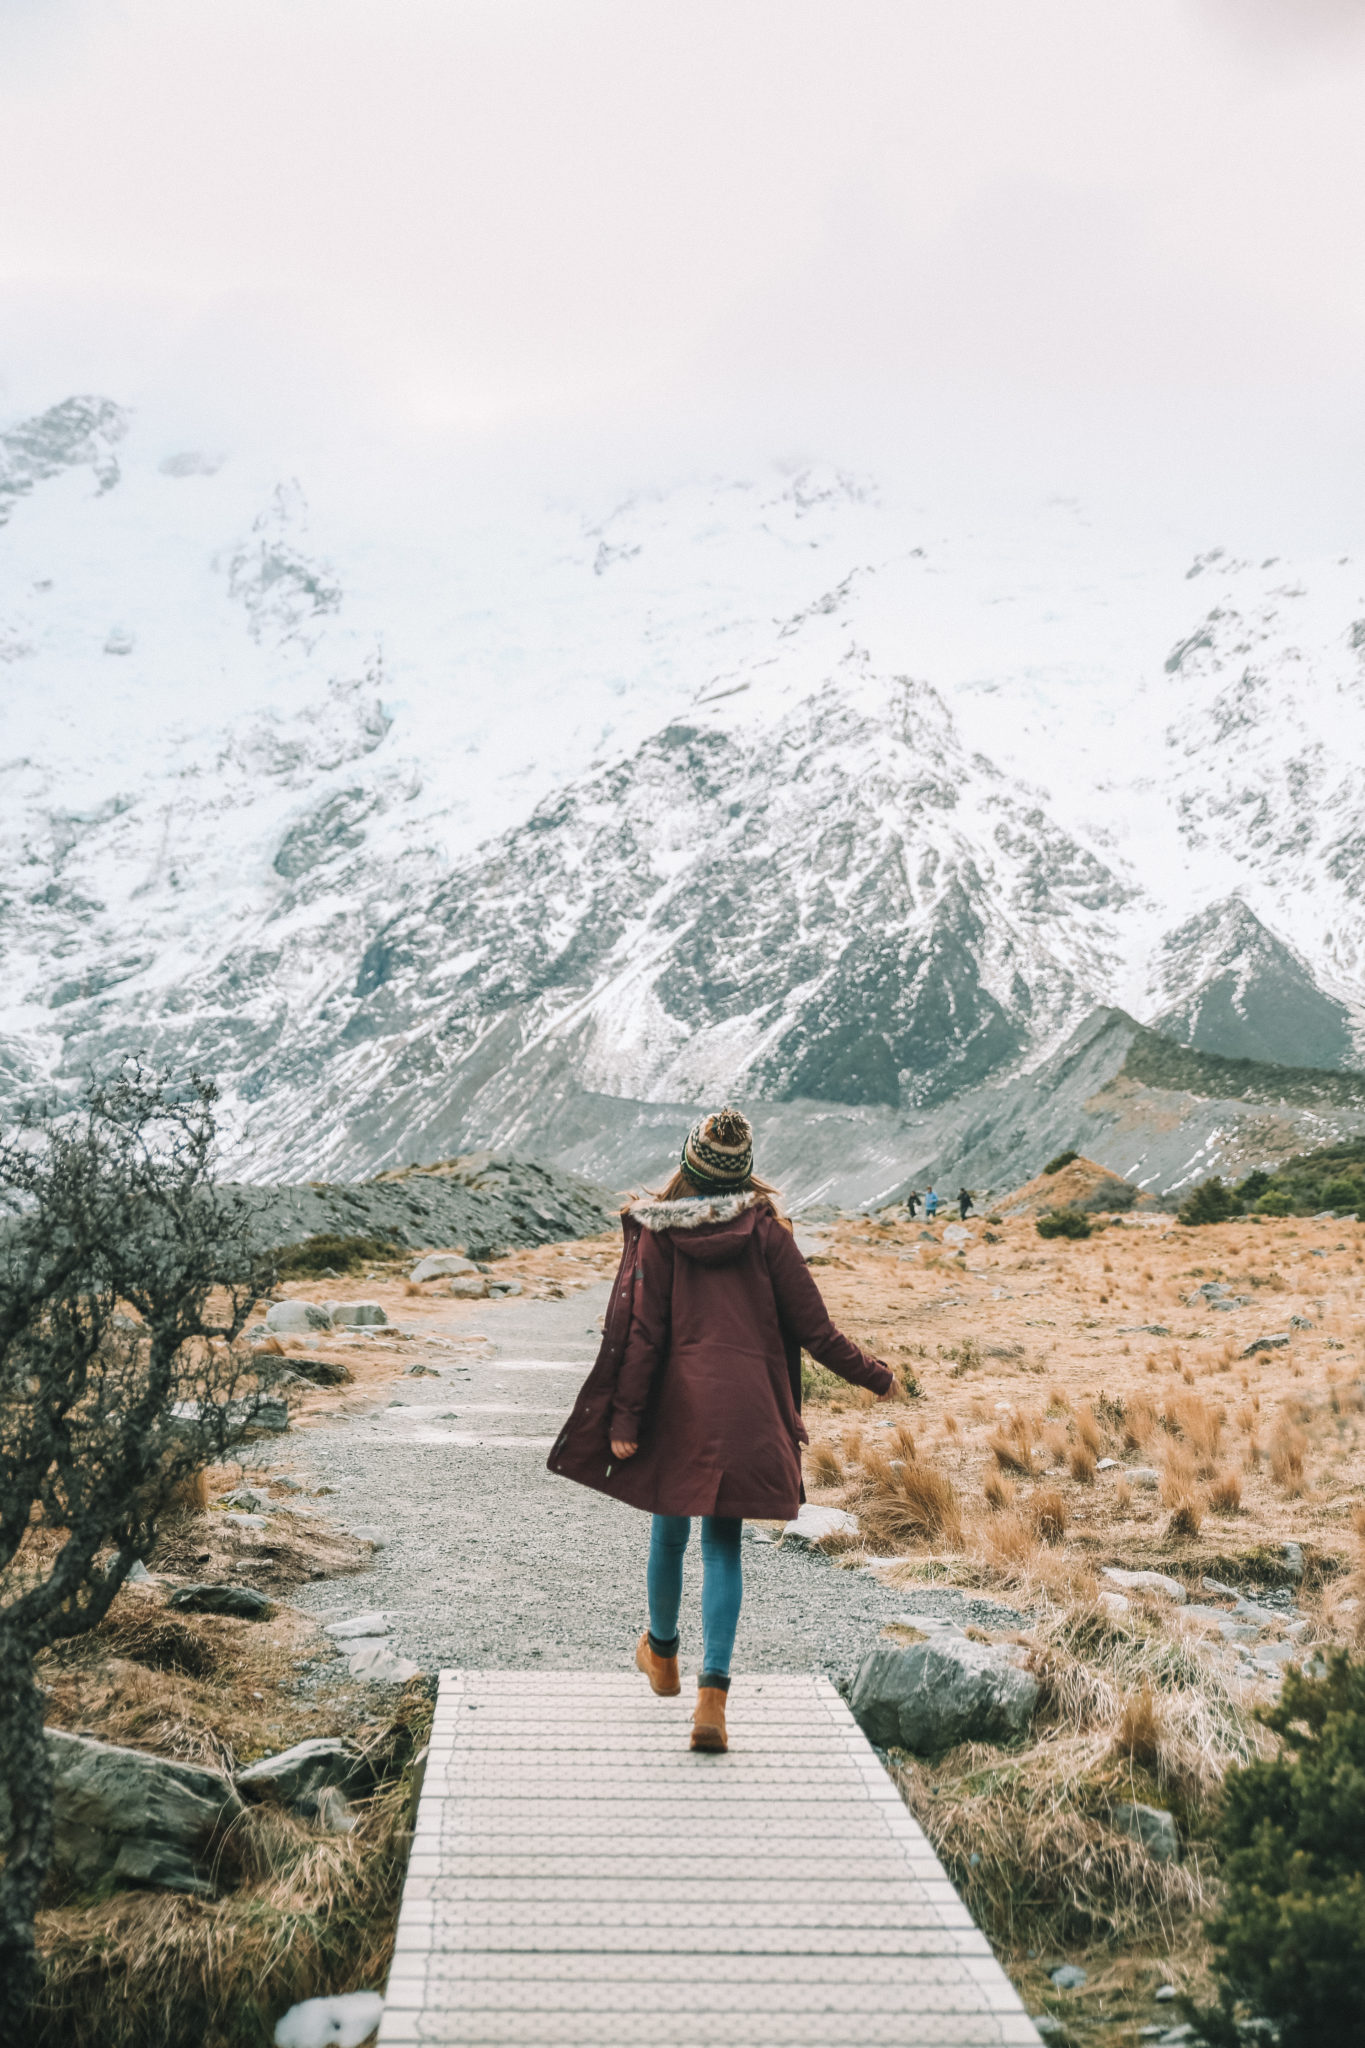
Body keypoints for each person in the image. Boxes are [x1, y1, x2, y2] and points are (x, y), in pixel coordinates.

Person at [548, 1106, 894, 1753]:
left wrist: (625, 1418)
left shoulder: (657, 1233)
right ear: (744, 1174)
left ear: (688, 1166)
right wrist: (876, 1376)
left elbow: (642, 1335)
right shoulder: (768, 1234)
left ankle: (662, 1654)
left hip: (675, 1411)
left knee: (667, 1529)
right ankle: (712, 1702)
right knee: (722, 1545)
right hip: (748, 1412)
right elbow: (815, 1331)